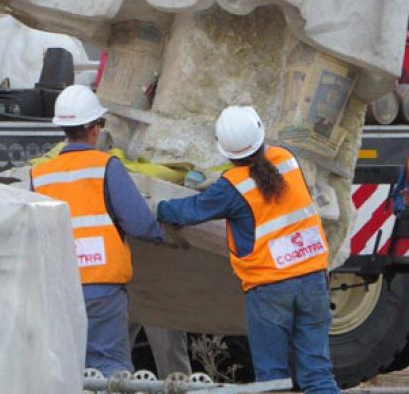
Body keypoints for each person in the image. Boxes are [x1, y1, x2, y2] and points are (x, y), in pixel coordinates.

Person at [157, 106, 340, 393]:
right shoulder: (287, 159)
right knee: (318, 375)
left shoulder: (231, 186)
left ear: (225, 151)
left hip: (270, 289)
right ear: (261, 134)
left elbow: (187, 211)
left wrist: (157, 207)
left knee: (273, 379)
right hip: (313, 278)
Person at [30, 84, 166, 376]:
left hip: (60, 290)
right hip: (102, 290)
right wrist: (163, 234)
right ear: (94, 128)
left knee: (67, 373)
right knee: (110, 371)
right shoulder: (106, 166)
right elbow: (141, 223)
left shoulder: (39, 175)